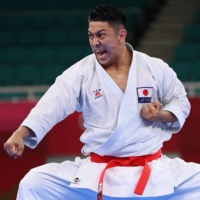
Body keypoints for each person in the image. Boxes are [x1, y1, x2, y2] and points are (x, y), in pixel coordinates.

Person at [3, 4, 200, 200]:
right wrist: (21, 133)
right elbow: (51, 104)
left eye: (101, 35)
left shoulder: (154, 67)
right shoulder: (81, 72)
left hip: (151, 171)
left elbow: (180, 101)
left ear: (121, 35)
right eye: (91, 35)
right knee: (33, 183)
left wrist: (161, 115)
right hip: (99, 172)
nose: (95, 42)